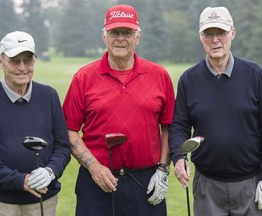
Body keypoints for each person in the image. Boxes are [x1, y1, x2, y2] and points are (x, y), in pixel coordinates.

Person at [62, 4, 175, 216]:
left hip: (146, 182)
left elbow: (169, 126)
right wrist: (94, 167)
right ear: (104, 36)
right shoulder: (84, 77)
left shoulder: (159, 75)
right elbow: (68, 129)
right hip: (96, 182)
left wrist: (162, 168)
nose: (120, 38)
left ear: (138, 37)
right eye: (114, 32)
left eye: (127, 32)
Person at [169, 6, 262, 216]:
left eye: (221, 33)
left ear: (233, 33)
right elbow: (179, 126)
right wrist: (178, 157)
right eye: (209, 34)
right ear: (201, 37)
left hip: (250, 183)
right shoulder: (189, 80)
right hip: (207, 186)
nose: (215, 40)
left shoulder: (255, 75)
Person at [0, 31, 71, 215]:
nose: (22, 67)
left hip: (44, 200)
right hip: (1, 202)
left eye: (28, 60)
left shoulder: (49, 96)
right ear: (0, 61)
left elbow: (62, 147)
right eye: (14, 60)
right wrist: (20, 180)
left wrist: (50, 171)